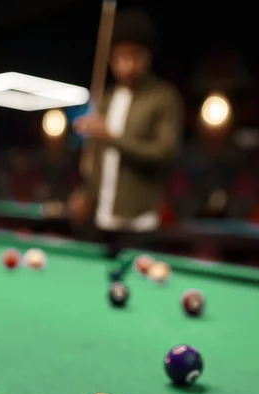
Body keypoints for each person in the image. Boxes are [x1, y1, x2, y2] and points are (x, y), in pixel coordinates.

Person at [69, 8, 183, 240]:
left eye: (134, 56)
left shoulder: (163, 97)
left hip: (140, 225)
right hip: (100, 220)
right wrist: (85, 194)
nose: (126, 65)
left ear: (148, 56)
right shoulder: (106, 98)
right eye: (119, 57)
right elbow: (98, 159)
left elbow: (164, 153)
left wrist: (111, 136)